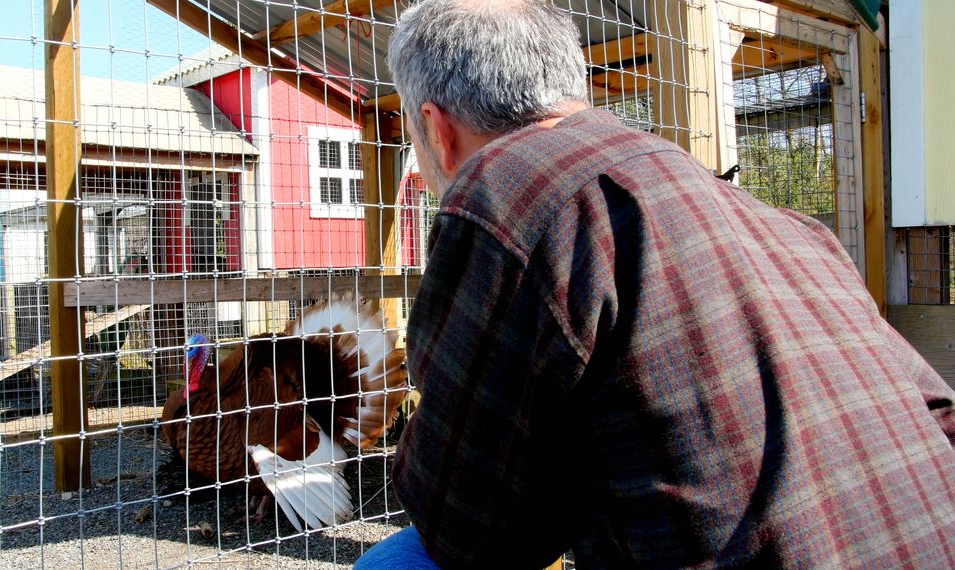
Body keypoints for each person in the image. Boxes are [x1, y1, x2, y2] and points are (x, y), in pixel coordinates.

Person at [356, 0, 955, 568]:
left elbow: (466, 529)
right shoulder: (780, 223)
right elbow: (938, 412)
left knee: (398, 561)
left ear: (435, 130)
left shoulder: (505, 193)